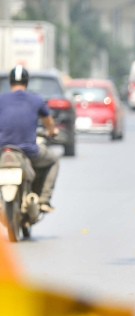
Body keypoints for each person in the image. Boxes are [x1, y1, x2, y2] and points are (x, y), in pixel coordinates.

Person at [0, 65, 59, 212]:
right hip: (28, 151)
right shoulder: (36, 100)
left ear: (10, 82)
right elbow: (49, 123)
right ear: (27, 82)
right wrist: (52, 132)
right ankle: (44, 199)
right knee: (53, 160)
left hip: (2, 150)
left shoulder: (1, 99)